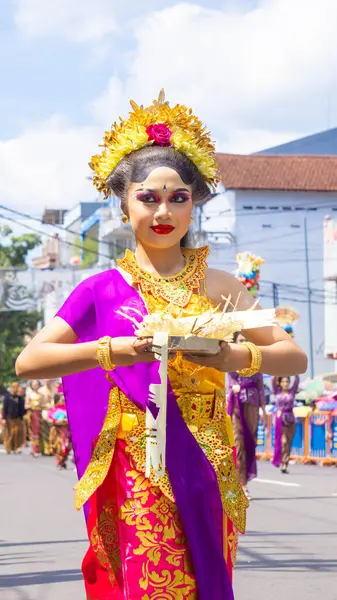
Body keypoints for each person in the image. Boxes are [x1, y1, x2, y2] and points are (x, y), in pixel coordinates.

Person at [16, 91, 307, 600]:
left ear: (194, 201)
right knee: (152, 585)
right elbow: (30, 361)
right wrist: (116, 350)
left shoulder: (221, 286)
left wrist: (231, 357)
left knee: (204, 580)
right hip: (136, 466)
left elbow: (293, 355)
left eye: (178, 198)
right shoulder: (100, 291)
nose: (163, 211)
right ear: (124, 202)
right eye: (148, 198)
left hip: (206, 459)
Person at [227, 332, 267, 500]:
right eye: (241, 340)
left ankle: (244, 481)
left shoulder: (256, 362)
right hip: (236, 404)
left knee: (250, 443)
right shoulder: (230, 360)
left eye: (247, 340)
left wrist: (264, 411)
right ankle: (241, 483)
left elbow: (261, 387)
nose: (244, 343)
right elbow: (228, 381)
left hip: (253, 404)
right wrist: (234, 388)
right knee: (239, 443)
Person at [272, 375, 300, 473]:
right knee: (283, 442)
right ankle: (281, 461)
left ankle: (285, 463)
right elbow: (272, 379)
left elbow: (297, 381)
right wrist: (279, 370)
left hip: (290, 419)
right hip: (280, 419)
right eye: (283, 382)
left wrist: (295, 371)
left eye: (287, 382)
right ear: (280, 383)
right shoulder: (277, 391)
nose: (285, 384)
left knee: (288, 443)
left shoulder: (292, 392)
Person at [48, 392, 72, 469]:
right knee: (58, 446)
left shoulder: (69, 408)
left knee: (67, 446)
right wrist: (56, 421)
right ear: (57, 400)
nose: (64, 401)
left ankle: (63, 461)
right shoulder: (53, 409)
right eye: (62, 399)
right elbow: (49, 418)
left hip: (67, 431)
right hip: (57, 431)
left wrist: (66, 420)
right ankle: (59, 462)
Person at [2, 382, 25, 454]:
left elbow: (22, 409)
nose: (16, 389)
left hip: (17, 418)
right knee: (9, 433)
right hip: (9, 418)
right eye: (14, 387)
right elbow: (4, 408)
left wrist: (21, 418)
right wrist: (4, 418)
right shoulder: (7, 397)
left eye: (17, 387)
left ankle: (16, 448)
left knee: (17, 433)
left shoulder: (20, 398)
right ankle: (8, 448)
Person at [27, 380, 45, 457]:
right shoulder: (29, 395)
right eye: (34, 385)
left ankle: (42, 448)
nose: (35, 386)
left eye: (37, 384)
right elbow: (26, 405)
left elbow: (45, 404)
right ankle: (35, 449)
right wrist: (32, 406)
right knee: (34, 431)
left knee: (42, 431)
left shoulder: (42, 395)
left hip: (41, 413)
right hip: (33, 414)